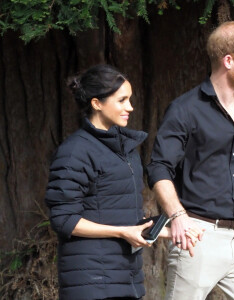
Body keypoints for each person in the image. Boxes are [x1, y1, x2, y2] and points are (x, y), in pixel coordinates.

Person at [147, 21, 234, 300]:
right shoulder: (185, 110)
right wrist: (178, 217)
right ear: (228, 61)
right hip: (197, 238)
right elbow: (159, 167)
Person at [45, 64, 170, 300]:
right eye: (122, 100)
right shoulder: (75, 151)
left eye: (130, 99)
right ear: (97, 103)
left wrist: (167, 232)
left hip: (126, 277)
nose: (130, 107)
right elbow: (64, 220)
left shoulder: (125, 150)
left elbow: (116, 212)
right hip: (91, 282)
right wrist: (122, 232)